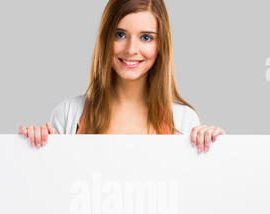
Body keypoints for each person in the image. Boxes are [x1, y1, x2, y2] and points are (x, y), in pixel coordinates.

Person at [18, 0, 225, 154]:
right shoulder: (68, 115)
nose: (131, 49)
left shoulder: (182, 121)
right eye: (120, 35)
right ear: (105, 39)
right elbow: (51, 193)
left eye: (146, 37)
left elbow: (191, 198)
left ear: (160, 45)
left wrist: (217, 150)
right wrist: (35, 149)